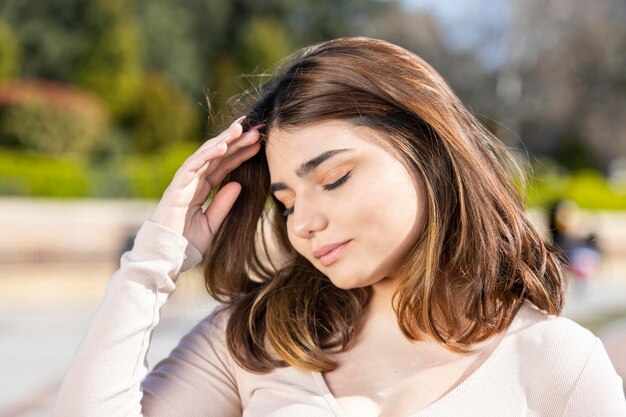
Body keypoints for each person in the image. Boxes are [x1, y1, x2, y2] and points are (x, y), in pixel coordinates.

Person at [52, 37, 626, 416]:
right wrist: (153, 262)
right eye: (286, 202)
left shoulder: (556, 361)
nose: (304, 223)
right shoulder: (255, 339)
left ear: (427, 152)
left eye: (333, 179)